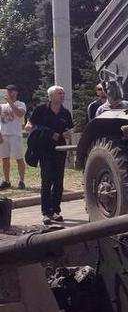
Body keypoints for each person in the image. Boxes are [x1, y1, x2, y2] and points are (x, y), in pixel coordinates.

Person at [26, 85, 73, 225]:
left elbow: (69, 128)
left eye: (63, 93)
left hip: (60, 149)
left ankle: (55, 210)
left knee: (58, 181)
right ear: (51, 96)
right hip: (44, 150)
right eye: (59, 93)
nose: (62, 95)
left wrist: (67, 133)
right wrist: (47, 132)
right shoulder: (41, 110)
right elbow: (30, 125)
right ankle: (46, 212)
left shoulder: (65, 112)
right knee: (46, 181)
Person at [0, 85, 27, 190]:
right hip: (3, 134)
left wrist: (10, 102)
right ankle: (7, 181)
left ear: (16, 92)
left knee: (19, 158)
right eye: (8, 91)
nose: (10, 93)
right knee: (5, 159)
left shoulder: (21, 104)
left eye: (12, 91)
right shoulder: (2, 105)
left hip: (15, 134)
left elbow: (19, 114)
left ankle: (21, 181)